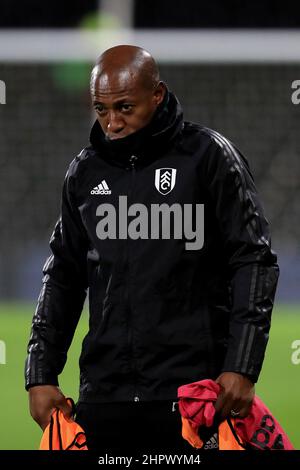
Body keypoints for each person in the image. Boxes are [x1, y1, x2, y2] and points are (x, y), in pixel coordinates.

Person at [25, 45, 279, 451]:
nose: (112, 122)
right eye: (101, 109)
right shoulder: (85, 171)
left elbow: (254, 260)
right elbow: (63, 276)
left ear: (157, 94)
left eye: (124, 107)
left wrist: (242, 367)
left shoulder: (209, 157)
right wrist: (40, 373)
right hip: (104, 397)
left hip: (195, 396)